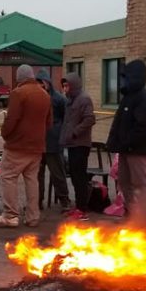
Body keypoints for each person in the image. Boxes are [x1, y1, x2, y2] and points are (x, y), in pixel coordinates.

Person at [0, 64, 52, 228]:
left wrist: (5, 133)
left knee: (8, 176)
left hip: (18, 146)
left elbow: (12, 119)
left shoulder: (18, 93)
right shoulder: (44, 94)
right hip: (37, 146)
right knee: (32, 180)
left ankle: (11, 215)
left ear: (19, 78)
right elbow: (49, 122)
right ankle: (33, 216)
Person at [106, 59, 146, 215]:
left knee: (140, 184)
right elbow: (119, 122)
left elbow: (144, 125)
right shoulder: (127, 97)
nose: (122, 81)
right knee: (124, 182)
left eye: (125, 77)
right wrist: (113, 142)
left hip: (136, 150)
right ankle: (133, 215)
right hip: (124, 149)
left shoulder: (143, 98)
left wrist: (128, 142)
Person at [59, 73, 96, 221]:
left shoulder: (84, 99)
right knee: (74, 176)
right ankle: (79, 205)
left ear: (73, 85)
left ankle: (82, 208)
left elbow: (89, 119)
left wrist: (75, 133)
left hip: (80, 144)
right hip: (72, 144)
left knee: (79, 176)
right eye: (64, 85)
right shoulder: (70, 100)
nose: (65, 88)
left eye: (67, 85)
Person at [36, 69, 70, 211]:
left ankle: (64, 201)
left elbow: (65, 119)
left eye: (42, 82)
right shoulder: (36, 98)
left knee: (57, 174)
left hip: (54, 143)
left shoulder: (59, 99)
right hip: (38, 142)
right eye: (38, 83)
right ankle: (37, 202)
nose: (41, 85)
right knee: (37, 175)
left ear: (47, 82)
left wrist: (60, 136)